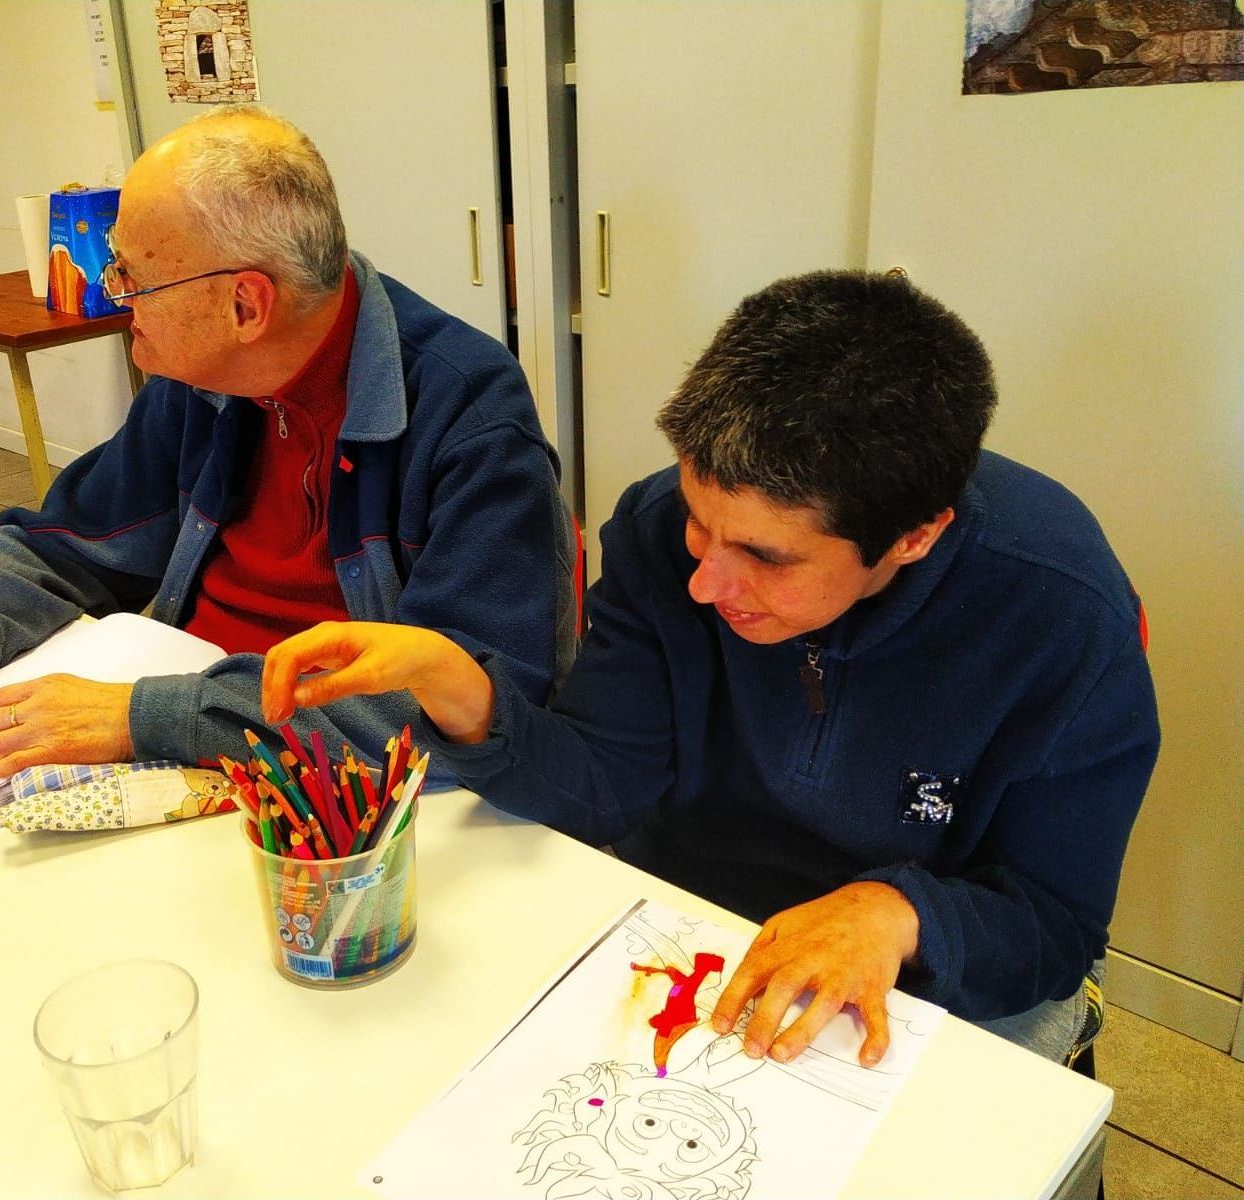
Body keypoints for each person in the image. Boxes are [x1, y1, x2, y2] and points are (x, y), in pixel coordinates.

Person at [260, 271, 1159, 1067]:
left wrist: (897, 914)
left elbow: (1053, 922)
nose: (705, 579)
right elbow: (606, 783)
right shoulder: (659, 532)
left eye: (765, 558)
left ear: (913, 537)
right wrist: (462, 691)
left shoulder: (1061, 615)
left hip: (917, 977)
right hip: (687, 924)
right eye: (699, 519)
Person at [0, 105, 574, 780]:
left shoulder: (467, 413)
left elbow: (470, 705)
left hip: (340, 794)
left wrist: (146, 719)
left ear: (246, 305)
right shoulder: (201, 377)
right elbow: (59, 544)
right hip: (199, 727)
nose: (114, 297)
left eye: (133, 278)